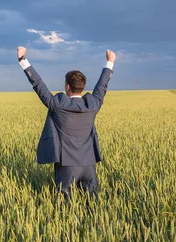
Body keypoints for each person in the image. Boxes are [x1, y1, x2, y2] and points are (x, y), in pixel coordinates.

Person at [16, 46, 116, 197]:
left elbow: (39, 85)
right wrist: (110, 62)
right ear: (82, 87)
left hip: (67, 165)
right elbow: (102, 86)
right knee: (93, 206)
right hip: (89, 164)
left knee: (65, 207)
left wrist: (22, 60)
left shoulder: (57, 105)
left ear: (67, 86)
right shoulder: (93, 105)